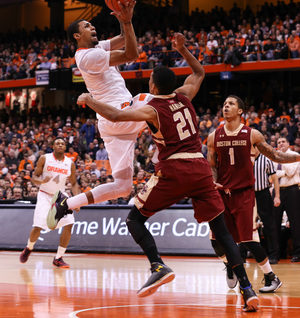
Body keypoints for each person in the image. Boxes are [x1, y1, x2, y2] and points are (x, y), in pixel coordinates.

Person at [49, 33, 259, 312]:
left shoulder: (151, 108)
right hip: (200, 168)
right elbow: (199, 72)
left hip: (175, 169)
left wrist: (89, 99)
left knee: (135, 219)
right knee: (222, 232)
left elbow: (116, 116)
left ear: (153, 85)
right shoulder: (185, 95)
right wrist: (183, 49)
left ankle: (157, 264)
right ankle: (248, 289)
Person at [47, 0, 153, 221]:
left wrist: (127, 19)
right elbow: (131, 54)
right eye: (87, 26)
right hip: (120, 114)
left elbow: (124, 39)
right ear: (77, 36)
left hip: (112, 125)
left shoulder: (96, 48)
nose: (92, 26)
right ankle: (159, 159)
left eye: (91, 24)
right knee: (156, 102)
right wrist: (125, 22)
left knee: (123, 187)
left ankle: (66, 203)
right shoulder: (89, 56)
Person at [207, 95, 300, 294]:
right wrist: (212, 180)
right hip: (222, 194)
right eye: (224, 104)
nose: (226, 106)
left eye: (230, 104)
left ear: (240, 111)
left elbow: (276, 155)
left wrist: (297, 156)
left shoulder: (252, 134)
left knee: (248, 239)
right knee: (216, 242)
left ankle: (271, 277)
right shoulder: (214, 136)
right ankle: (231, 265)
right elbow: (212, 166)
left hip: (244, 194)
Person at [19, 137, 80, 268]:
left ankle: (58, 257)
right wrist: (41, 181)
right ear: (53, 146)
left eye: (62, 144)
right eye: (57, 143)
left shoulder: (70, 163)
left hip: (60, 197)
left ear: (65, 148)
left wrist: (78, 200)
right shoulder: (45, 158)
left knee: (69, 223)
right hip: (44, 196)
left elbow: (74, 183)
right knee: (38, 227)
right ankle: (29, 248)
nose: (60, 145)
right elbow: (34, 177)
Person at [274, 136, 300, 262]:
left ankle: (297, 253)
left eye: (283, 141)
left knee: (295, 223)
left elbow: (290, 172)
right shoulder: (273, 157)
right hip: (277, 191)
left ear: (288, 143)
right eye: (279, 142)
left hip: (292, 190)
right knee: (275, 223)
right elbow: (271, 176)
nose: (281, 144)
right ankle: (277, 253)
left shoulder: (294, 155)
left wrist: (281, 159)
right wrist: (281, 173)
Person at [253, 147, 280, 264]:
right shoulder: (244, 160)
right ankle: (243, 254)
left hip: (263, 194)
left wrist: (277, 196)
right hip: (249, 195)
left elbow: (275, 179)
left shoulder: (266, 160)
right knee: (247, 225)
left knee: (269, 225)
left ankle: (274, 254)